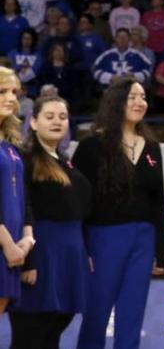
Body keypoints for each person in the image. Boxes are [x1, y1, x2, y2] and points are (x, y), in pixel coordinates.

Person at [73, 77, 164, 349]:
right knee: (97, 313)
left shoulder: (152, 146)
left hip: (144, 239)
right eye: (132, 97)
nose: (140, 102)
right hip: (103, 238)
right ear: (116, 102)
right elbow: (79, 201)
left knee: (132, 315)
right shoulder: (92, 145)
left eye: (143, 97)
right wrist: (83, 246)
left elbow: (157, 202)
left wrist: (161, 249)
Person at [8, 95, 90, 349]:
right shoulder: (25, 159)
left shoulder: (65, 160)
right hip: (41, 251)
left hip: (69, 253)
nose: (57, 122)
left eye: (63, 117)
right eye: (50, 116)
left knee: (53, 330)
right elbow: (23, 209)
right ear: (33, 122)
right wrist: (28, 260)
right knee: (30, 332)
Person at [0, 68, 34, 317]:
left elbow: (23, 194)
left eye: (14, 91)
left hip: (11, 246)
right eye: (2, 91)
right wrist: (8, 243)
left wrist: (27, 237)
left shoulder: (11, 142)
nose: (11, 98)